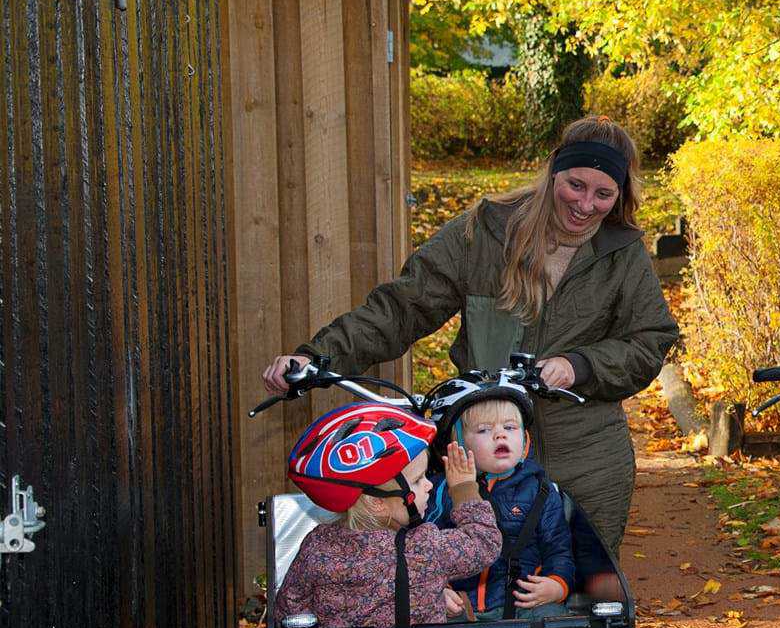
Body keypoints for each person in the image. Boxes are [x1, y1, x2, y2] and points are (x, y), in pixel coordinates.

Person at [261, 117, 679, 593]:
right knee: (466, 591)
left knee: (585, 605)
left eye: (603, 195)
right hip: (477, 449)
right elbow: (404, 306)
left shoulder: (622, 253)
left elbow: (650, 341)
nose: (585, 206)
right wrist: (318, 357)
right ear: (552, 173)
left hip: (586, 459)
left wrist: (580, 365)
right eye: (575, 185)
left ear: (620, 195)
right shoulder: (485, 232)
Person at [272, 404, 502, 628]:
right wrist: (463, 488)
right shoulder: (423, 549)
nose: (429, 485)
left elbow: (289, 612)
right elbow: (483, 541)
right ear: (376, 504)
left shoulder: (317, 547)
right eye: (418, 480)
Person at [434, 392, 575, 628]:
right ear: (459, 444)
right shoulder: (441, 491)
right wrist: (437, 588)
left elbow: (559, 548)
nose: (500, 436)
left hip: (525, 603)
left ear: (525, 441)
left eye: (510, 428)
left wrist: (557, 585)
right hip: (465, 607)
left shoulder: (542, 490)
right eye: (485, 430)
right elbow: (422, 549)